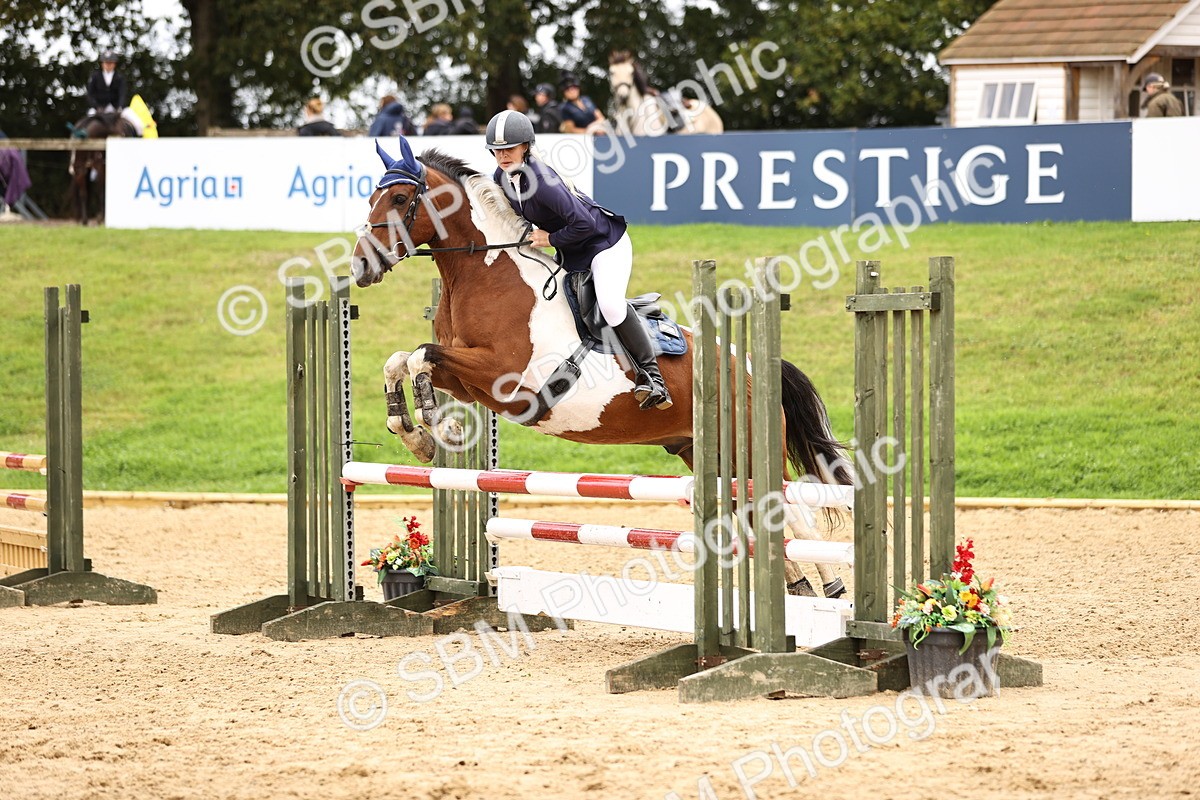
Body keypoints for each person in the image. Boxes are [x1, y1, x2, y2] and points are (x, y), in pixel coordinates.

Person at [484, 110, 670, 410]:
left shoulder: (542, 181)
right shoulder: (502, 178)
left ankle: (653, 377)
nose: (503, 155)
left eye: (510, 148)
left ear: (526, 147)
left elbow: (584, 223)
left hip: (604, 244)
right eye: (497, 150)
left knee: (610, 306)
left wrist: (550, 239)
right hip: (572, 251)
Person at [86, 51, 127, 115]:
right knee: (89, 117)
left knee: (129, 116)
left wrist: (120, 106)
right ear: (102, 64)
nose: (108, 65)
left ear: (114, 64)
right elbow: (90, 94)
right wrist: (96, 106)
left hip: (115, 107)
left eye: (110, 63)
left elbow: (122, 94)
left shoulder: (119, 77)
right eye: (106, 63)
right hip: (98, 108)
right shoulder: (95, 77)